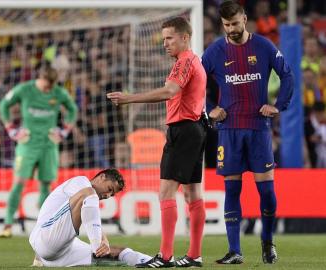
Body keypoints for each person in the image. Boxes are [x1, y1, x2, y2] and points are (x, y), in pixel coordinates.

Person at [107, 17, 207, 268]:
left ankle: (165, 256)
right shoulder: (194, 61)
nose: (165, 43)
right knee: (193, 193)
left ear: (185, 37)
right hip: (195, 128)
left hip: (183, 130)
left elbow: (169, 91)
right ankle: (194, 255)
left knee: (166, 192)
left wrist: (129, 98)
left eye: (169, 38)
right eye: (163, 38)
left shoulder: (184, 61)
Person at [201, 0, 294, 264]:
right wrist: (210, 109)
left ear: (244, 19)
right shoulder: (215, 50)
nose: (231, 29)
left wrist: (278, 107)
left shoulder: (263, 46)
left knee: (266, 191)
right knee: (232, 190)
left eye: (235, 23)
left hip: (258, 128)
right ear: (223, 24)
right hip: (228, 130)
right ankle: (235, 250)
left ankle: (267, 242)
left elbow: (287, 75)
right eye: (227, 24)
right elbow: (196, 83)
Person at [0, 65, 78, 237]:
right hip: (27, 142)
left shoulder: (58, 92)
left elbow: (73, 109)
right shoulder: (24, 89)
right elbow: (4, 105)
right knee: (19, 182)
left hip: (49, 144)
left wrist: (64, 131)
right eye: (46, 85)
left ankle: (43, 228)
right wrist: (11, 129)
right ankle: (7, 224)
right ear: (39, 78)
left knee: (45, 186)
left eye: (51, 86)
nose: (48, 89)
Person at [29, 168, 152, 267]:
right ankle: (96, 248)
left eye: (112, 194)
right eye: (109, 189)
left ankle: (152, 261)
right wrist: (99, 242)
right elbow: (87, 198)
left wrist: (105, 241)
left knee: (117, 252)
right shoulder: (81, 182)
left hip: (60, 253)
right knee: (89, 193)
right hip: (44, 238)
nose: (108, 195)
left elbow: (88, 216)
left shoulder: (87, 199)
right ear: (102, 177)